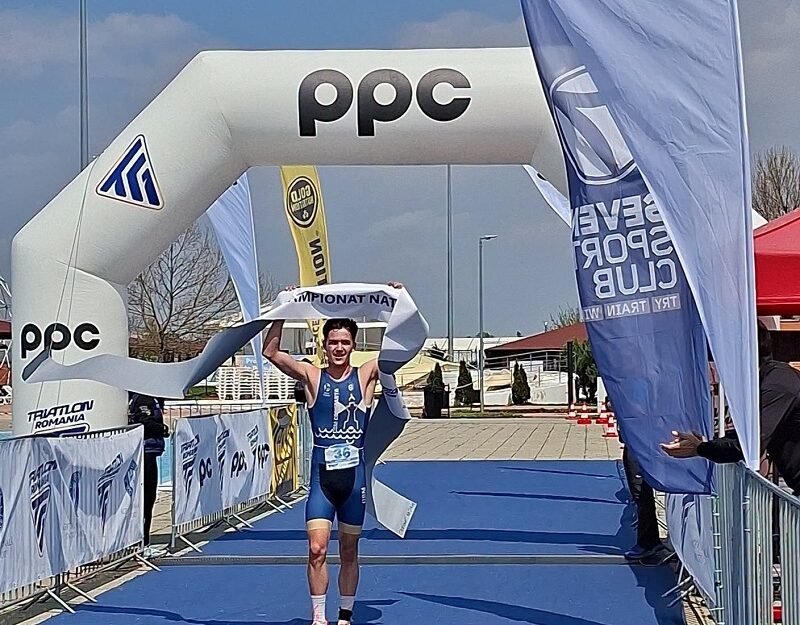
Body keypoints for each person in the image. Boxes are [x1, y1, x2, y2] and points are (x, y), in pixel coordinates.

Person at [262, 282, 403, 625]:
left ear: (354, 346)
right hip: (322, 482)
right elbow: (271, 352)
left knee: (350, 551)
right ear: (323, 345)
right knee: (316, 550)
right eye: (333, 342)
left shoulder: (368, 374)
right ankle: (319, 617)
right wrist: (284, 308)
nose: (338, 348)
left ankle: (345, 614)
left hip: (353, 483)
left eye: (345, 342)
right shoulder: (311, 376)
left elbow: (402, 348)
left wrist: (399, 303)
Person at [661, 321, 800, 495]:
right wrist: (704, 444)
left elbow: (748, 445)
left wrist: (701, 448)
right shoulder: (770, 380)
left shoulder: (778, 383)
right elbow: (744, 437)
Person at [617, 398, 667, 565]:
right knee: (640, 493)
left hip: (640, 442)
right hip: (636, 439)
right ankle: (649, 540)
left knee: (641, 493)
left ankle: (648, 542)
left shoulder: (637, 387)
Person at [128, 392, 169, 557]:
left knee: (149, 499)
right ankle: (142, 544)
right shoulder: (144, 398)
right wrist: (163, 429)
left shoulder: (153, 398)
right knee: (146, 499)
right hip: (146, 453)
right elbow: (143, 422)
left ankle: (143, 542)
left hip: (150, 451)